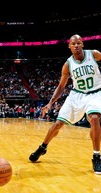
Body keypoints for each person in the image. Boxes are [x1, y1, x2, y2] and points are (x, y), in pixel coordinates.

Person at [29, 34, 101, 174]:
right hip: (77, 95)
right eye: (73, 44)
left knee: (94, 118)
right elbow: (61, 87)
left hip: (96, 93)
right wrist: (50, 103)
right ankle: (42, 147)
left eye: (78, 43)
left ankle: (96, 156)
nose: (76, 45)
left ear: (82, 44)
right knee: (58, 124)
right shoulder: (68, 64)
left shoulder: (94, 54)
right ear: (69, 46)